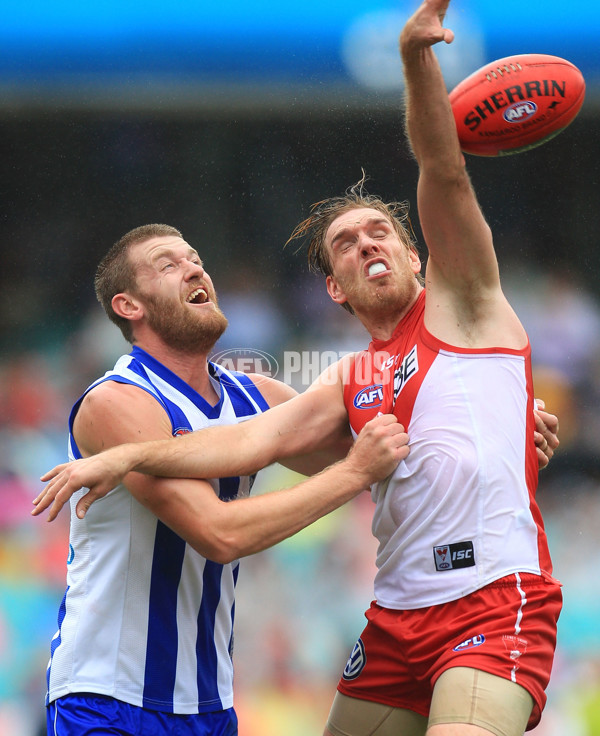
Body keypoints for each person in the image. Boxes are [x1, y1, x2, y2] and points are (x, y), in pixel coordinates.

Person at [34, 1, 562, 734]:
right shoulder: (341, 381)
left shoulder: (466, 305)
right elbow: (252, 459)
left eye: (383, 230)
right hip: (371, 624)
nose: (367, 241)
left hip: (491, 599)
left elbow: (444, 170)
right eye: (345, 242)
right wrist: (124, 455)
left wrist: (415, 60)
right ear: (334, 289)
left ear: (419, 256)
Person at [35, 221, 409, 736]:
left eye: (195, 258)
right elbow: (219, 534)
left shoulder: (257, 397)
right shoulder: (115, 401)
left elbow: (399, 450)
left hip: (208, 706)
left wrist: (517, 423)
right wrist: (353, 472)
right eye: (168, 264)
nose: (194, 267)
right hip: (109, 699)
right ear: (129, 306)